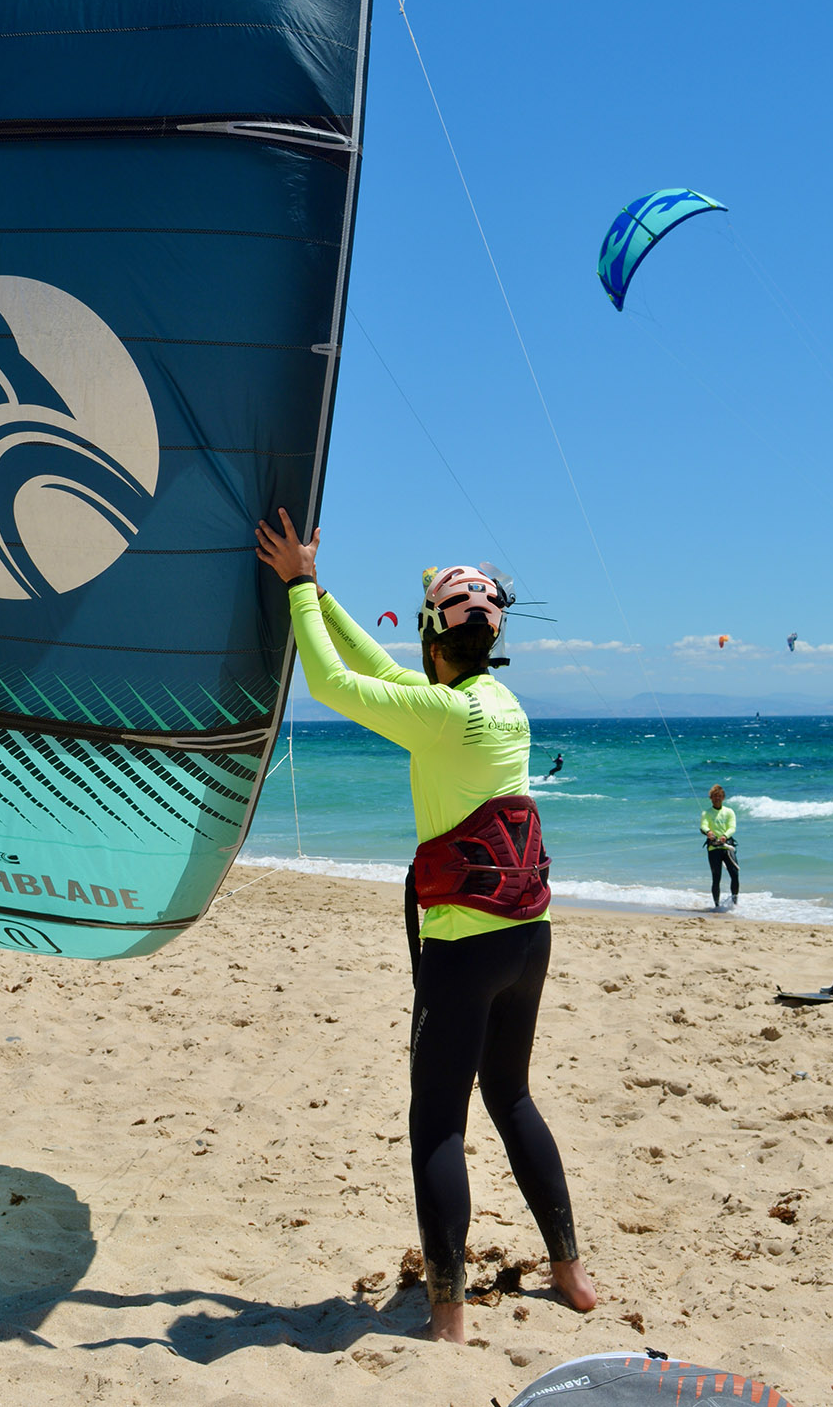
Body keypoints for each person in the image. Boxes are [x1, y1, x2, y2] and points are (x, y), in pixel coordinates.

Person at [255, 510, 596, 1343]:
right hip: (529, 935)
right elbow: (375, 668)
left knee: (437, 1119)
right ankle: (570, 1273)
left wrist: (297, 589)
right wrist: (320, 593)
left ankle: (447, 1317)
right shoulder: (496, 703)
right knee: (511, 1095)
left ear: (431, 638)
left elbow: (336, 685)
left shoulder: (442, 716)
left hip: (463, 946)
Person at [700, 784, 739, 909]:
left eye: (719, 796)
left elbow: (732, 827)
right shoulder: (706, 813)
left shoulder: (729, 812)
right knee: (716, 878)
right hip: (713, 849)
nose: (717, 798)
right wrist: (708, 832)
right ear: (711, 798)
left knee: (735, 874)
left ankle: (734, 903)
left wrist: (725, 836)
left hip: (727, 847)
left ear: (723, 798)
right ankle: (717, 906)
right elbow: (703, 826)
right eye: (715, 796)